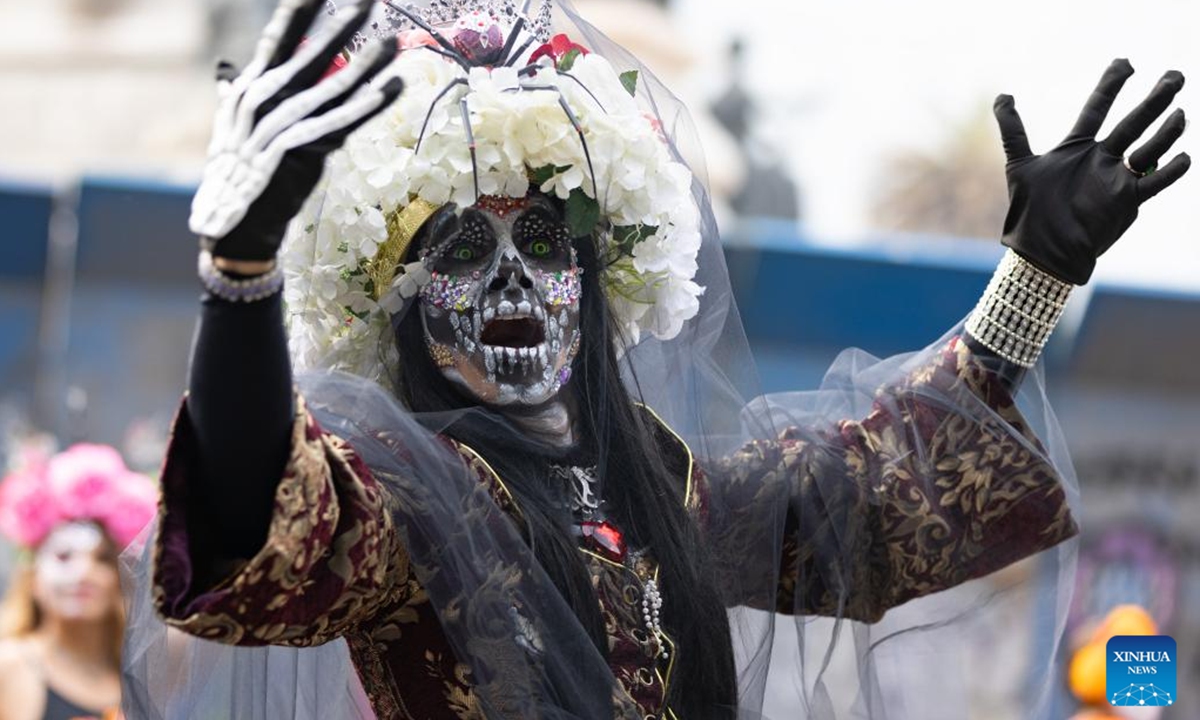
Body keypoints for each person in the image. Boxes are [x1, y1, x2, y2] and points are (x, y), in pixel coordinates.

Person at [120, 0, 1190, 717]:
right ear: (401, 304)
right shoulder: (411, 503)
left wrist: (1038, 270)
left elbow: (875, 488)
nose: (511, 284)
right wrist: (243, 270)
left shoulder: (672, 489)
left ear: (594, 278)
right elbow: (256, 515)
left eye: (543, 244)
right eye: (460, 251)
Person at [0, 443, 156, 720]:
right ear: (33, 577)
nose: (84, 572)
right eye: (63, 556)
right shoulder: (12, 666)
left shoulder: (139, 681)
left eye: (103, 559)